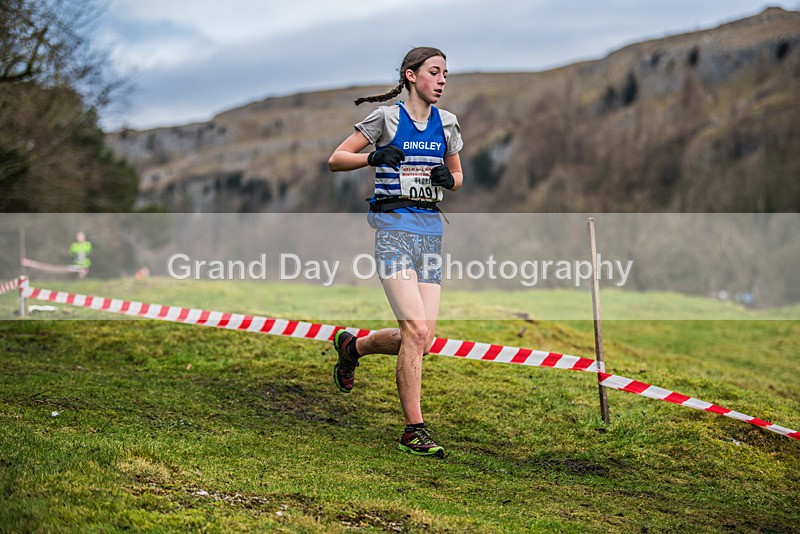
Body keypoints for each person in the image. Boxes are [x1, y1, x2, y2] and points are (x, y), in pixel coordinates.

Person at [328, 47, 464, 457]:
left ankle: (353, 348)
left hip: (431, 238)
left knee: (422, 340)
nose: (441, 80)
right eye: (434, 72)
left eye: (445, 74)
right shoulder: (386, 118)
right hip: (394, 233)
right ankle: (413, 430)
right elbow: (336, 159)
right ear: (411, 75)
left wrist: (450, 179)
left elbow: (457, 176)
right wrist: (373, 157)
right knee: (416, 331)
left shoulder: (448, 123)